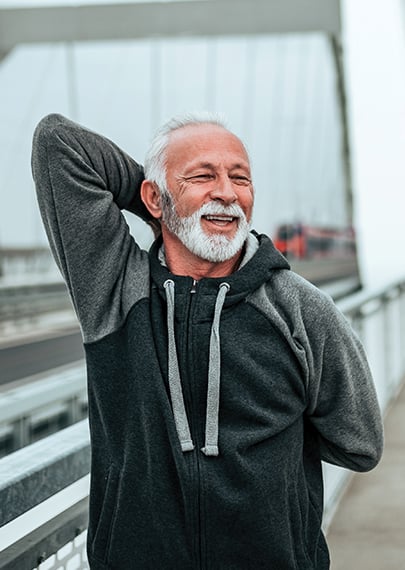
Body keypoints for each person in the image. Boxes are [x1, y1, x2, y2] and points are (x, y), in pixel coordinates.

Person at [31, 112, 383, 570]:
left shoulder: (299, 308)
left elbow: (361, 443)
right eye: (202, 176)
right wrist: (166, 213)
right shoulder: (116, 289)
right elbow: (59, 142)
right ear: (154, 197)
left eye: (241, 179)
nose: (227, 193)